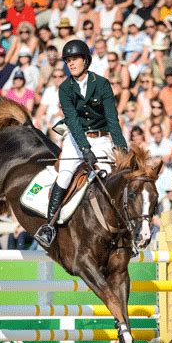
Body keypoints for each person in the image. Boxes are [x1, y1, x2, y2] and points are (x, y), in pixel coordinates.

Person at [35, 39, 127, 247]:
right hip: (76, 140)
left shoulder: (102, 84)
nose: (71, 63)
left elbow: (112, 119)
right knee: (66, 174)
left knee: (110, 178)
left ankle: (124, 230)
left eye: (74, 59)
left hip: (102, 139)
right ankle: (49, 226)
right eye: (68, 60)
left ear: (86, 60)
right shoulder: (65, 88)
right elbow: (73, 122)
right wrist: (84, 149)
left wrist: (121, 149)